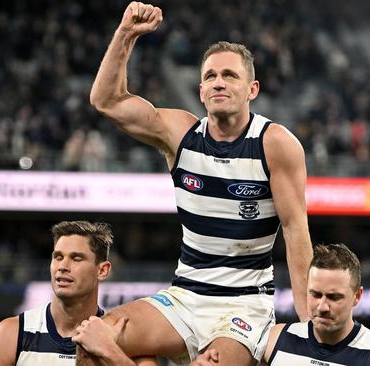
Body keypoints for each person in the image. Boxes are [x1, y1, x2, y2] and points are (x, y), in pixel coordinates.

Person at [78, 2, 313, 365]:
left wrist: (308, 326)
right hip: (185, 296)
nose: (219, 81)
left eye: (230, 75)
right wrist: (125, 34)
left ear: (252, 89)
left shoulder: (275, 143)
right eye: (210, 76)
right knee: (93, 343)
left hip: (244, 306)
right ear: (201, 90)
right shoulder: (180, 134)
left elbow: (296, 231)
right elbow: (105, 100)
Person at [192, 244, 370, 366]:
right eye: (315, 294)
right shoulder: (274, 340)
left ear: (357, 296)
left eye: (334, 297)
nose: (322, 306)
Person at [0, 221, 156, 366]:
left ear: (102, 270)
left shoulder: (125, 338)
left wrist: (110, 352)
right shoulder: (12, 333)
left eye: (76, 258)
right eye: (57, 257)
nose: (62, 266)